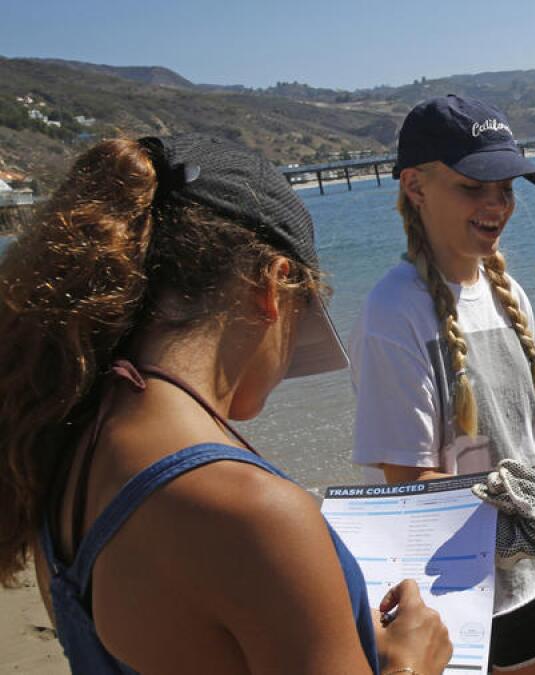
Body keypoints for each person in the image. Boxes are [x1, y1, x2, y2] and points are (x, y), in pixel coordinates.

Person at [0, 134, 453, 674]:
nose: (290, 360)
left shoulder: (63, 451)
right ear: (273, 286)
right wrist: (412, 663)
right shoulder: (257, 515)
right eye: (304, 317)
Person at [351, 95, 535, 674]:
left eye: (506, 188)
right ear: (415, 186)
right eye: (473, 187)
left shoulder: (509, 294)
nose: (496, 204)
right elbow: (408, 482)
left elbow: (529, 456)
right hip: (454, 604)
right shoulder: (396, 310)